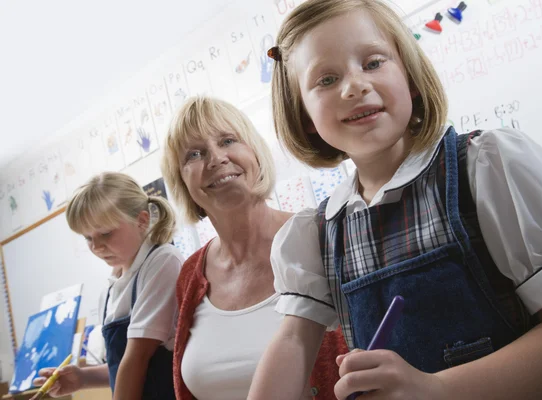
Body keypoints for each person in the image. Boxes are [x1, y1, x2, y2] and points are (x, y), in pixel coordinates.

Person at [248, 0, 542, 399]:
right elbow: (293, 341)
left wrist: (436, 389)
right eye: (325, 80)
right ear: (306, 118)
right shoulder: (318, 234)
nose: (354, 85)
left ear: (410, 78)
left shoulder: (486, 168)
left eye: (374, 62)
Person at [160, 95, 348, 400]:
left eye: (228, 140)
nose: (216, 159)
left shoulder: (321, 236)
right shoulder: (189, 276)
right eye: (194, 154)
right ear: (182, 182)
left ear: (256, 153)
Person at [34, 172, 182, 400]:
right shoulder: (110, 289)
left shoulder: (162, 261)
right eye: (88, 238)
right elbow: (122, 365)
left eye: (105, 233)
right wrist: (83, 378)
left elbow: (139, 357)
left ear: (142, 220)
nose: (97, 246)